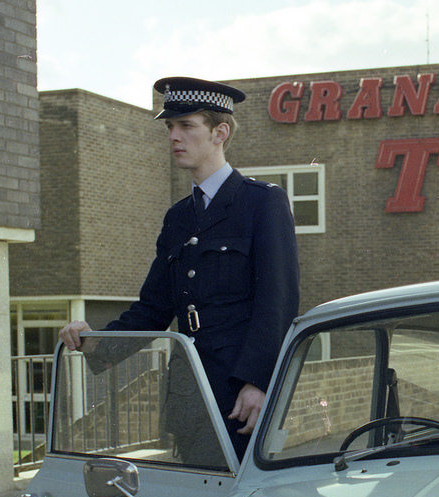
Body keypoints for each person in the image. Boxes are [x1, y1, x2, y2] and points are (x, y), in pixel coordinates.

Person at [59, 76, 300, 462]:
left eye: (187, 126)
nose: (174, 136)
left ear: (220, 132)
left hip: (242, 399)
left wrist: (258, 381)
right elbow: (153, 308)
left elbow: (278, 300)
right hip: (190, 394)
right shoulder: (179, 217)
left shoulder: (261, 203)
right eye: (170, 126)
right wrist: (95, 339)